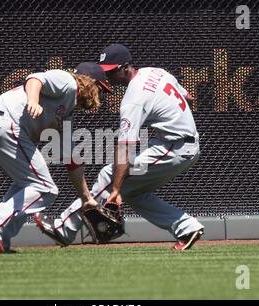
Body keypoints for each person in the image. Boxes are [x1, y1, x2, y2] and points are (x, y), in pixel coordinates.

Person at [35, 44, 205, 250]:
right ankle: (187, 228)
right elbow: (187, 95)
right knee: (133, 193)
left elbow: (125, 147)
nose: (107, 76)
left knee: (111, 174)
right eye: (105, 71)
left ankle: (63, 228)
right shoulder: (156, 72)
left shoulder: (134, 98)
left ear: (126, 67)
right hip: (179, 143)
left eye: (111, 71)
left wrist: (115, 189)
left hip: (174, 146)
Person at [0, 62, 112, 253]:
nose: (100, 95)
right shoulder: (68, 82)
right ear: (89, 82)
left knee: (27, 186)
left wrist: (86, 198)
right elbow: (35, 78)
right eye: (100, 89)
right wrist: (33, 101)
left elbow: (71, 159)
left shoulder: (67, 112)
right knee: (45, 189)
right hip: (6, 122)